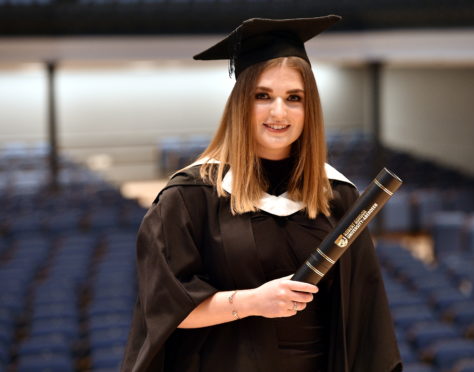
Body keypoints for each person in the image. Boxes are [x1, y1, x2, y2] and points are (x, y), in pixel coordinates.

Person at [121, 15, 402, 372]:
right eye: (263, 96)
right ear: (241, 103)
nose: (279, 112)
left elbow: (366, 316)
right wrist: (252, 302)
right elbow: (162, 308)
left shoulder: (338, 196)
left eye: (294, 97)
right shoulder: (190, 197)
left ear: (309, 107)